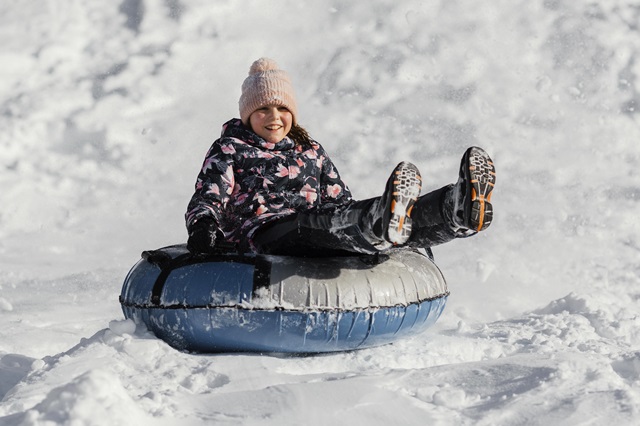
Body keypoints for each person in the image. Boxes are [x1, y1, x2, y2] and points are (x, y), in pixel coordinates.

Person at [185, 58, 496, 257]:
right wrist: (203, 227)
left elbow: (339, 200)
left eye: (283, 109)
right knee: (320, 224)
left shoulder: (311, 151)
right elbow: (208, 197)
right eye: (263, 110)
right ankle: (379, 224)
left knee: (349, 217)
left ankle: (453, 211)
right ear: (248, 115)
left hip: (316, 227)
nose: (274, 117)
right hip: (264, 233)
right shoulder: (230, 149)